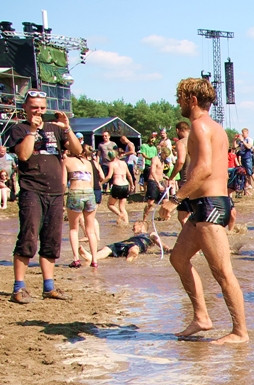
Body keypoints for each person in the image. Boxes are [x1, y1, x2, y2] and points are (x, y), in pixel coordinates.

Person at [156, 77, 248, 344]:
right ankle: (201, 317)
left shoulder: (198, 126)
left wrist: (175, 200)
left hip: (209, 206)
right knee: (178, 259)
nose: (178, 103)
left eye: (180, 98)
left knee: (222, 272)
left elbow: (204, 168)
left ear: (192, 100)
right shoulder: (215, 127)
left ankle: (240, 332)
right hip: (202, 206)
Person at [8, 90, 84, 303]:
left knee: (51, 240)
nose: (39, 111)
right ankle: (19, 287)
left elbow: (77, 151)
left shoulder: (55, 129)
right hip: (31, 190)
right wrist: (32, 130)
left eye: (42, 107)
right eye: (34, 107)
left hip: (56, 192)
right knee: (28, 237)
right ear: (25, 108)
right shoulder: (19, 129)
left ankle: (48, 286)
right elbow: (23, 155)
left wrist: (67, 128)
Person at [64, 145, 103, 268]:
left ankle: (76, 259)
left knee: (73, 229)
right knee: (90, 230)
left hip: (75, 192)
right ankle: (94, 260)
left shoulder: (66, 161)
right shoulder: (88, 163)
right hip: (89, 193)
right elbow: (92, 183)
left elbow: (63, 183)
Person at [83, 231, 168, 262]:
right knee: (107, 248)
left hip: (135, 245)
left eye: (135, 226)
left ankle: (129, 259)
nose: (133, 228)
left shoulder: (150, 234)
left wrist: (167, 249)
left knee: (134, 249)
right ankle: (91, 257)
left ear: (141, 225)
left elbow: (161, 244)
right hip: (123, 243)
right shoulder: (133, 236)